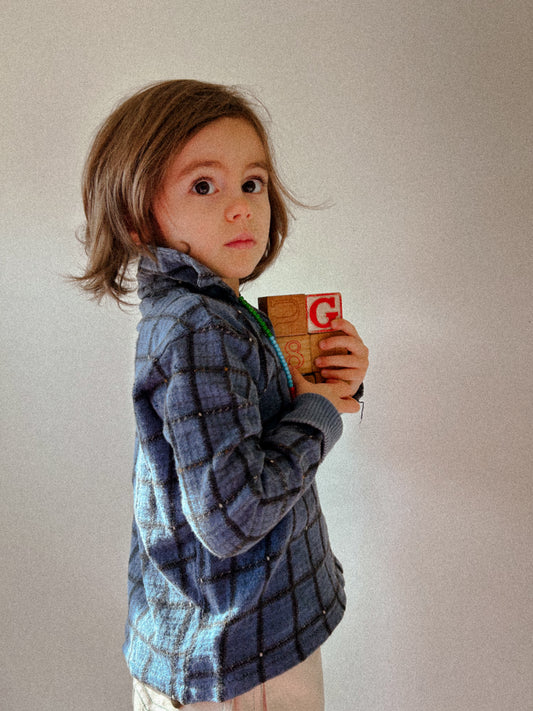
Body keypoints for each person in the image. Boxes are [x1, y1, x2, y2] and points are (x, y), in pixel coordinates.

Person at [75, 80, 369, 710]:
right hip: (240, 659)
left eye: (252, 183)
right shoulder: (200, 328)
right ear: (138, 217)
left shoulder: (210, 313)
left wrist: (330, 382)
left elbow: (251, 426)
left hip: (233, 639)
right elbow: (234, 514)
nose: (240, 207)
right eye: (204, 186)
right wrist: (320, 413)